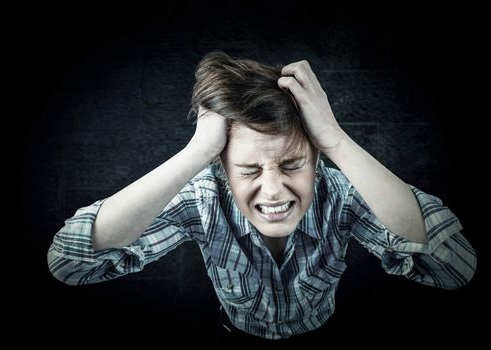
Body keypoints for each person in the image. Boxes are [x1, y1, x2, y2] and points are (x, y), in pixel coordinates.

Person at [47, 51, 476, 344]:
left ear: (315, 159)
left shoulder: (341, 193)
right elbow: (69, 263)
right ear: (221, 167)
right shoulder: (203, 198)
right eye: (249, 170)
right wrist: (197, 153)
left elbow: (455, 266)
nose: (273, 190)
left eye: (292, 165)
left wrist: (338, 142)